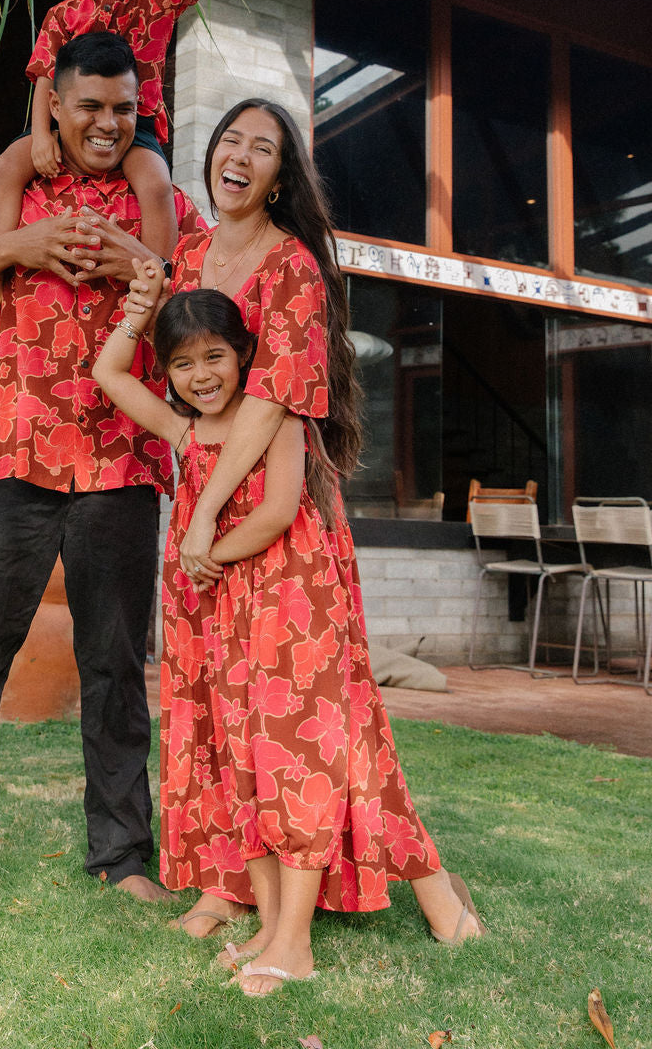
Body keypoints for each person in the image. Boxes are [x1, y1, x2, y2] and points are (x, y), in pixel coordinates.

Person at [127, 98, 485, 974]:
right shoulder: (186, 254)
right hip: (207, 521)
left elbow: (276, 394)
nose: (241, 156)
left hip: (273, 524)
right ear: (212, 160)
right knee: (228, 709)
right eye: (231, 142)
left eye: (264, 147)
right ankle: (244, 883)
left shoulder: (292, 268)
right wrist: (136, 302)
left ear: (281, 177)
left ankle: (359, 903)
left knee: (305, 717)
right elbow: (170, 370)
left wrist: (206, 514)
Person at [0, 32, 201, 909]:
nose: (107, 123)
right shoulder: (16, 190)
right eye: (90, 106)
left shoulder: (162, 200)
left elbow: (212, 296)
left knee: (115, 668)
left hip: (122, 463)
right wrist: (16, 247)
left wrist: (143, 264)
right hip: (13, 455)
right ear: (56, 106)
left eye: (122, 108)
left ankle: (125, 858)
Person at [0, 0, 311, 309]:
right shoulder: (63, 13)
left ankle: (155, 282)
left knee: (156, 183)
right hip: (67, 125)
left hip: (134, 124)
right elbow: (44, 75)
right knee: (9, 162)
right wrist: (42, 133)